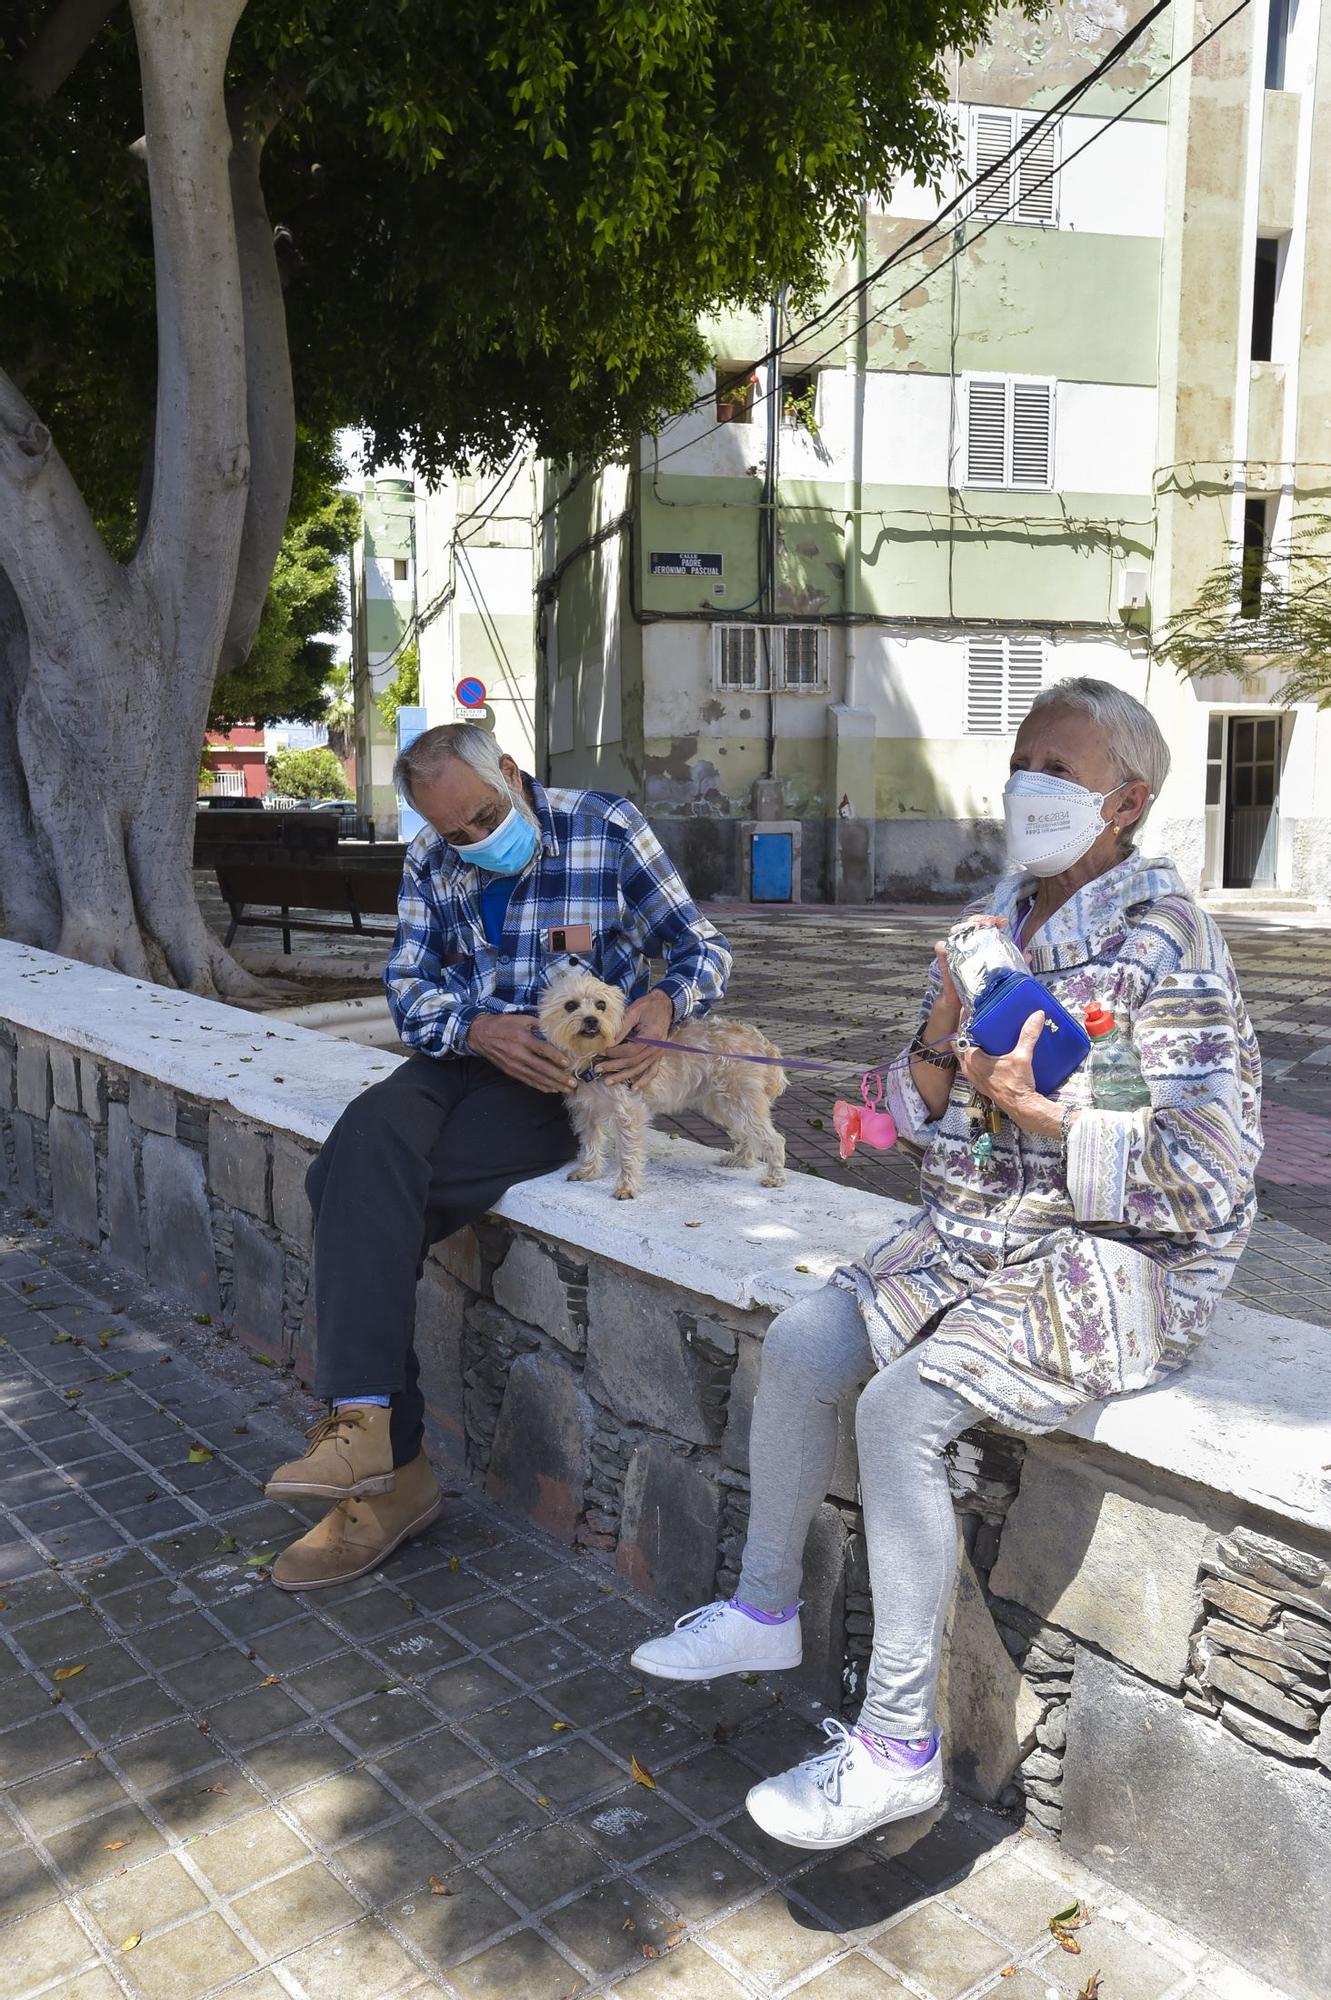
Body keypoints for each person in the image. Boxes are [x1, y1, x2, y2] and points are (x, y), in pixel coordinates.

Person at [632, 677, 1262, 1851]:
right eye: (1021, 759)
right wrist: (933, 1033)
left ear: (1125, 800)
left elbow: (1208, 1172)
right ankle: (765, 1604)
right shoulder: (996, 916)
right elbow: (910, 1105)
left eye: (1057, 770)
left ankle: (893, 1746)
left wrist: (1049, 1122)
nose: (1026, 785)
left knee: (899, 1409)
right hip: (974, 1237)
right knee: (810, 1339)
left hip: (1111, 1252)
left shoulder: (1160, 940)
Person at [266, 724, 732, 1589]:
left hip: (558, 1084)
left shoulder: (603, 825)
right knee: (364, 1141)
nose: (478, 839)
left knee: (348, 1188)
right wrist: (476, 1027)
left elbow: (703, 946)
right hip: (463, 1055)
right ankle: (374, 1438)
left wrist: (663, 1007)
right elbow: (408, 988)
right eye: (457, 831)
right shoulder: (428, 863)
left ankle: (384, 1462)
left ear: (512, 774)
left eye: (487, 814)